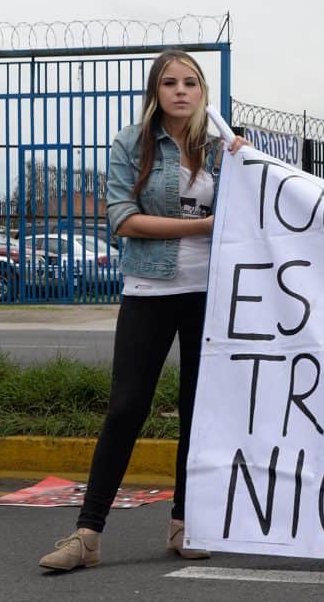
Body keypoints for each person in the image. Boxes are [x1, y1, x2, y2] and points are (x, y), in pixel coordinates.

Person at [39, 49, 246, 571]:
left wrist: (247, 163)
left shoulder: (223, 147)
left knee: (199, 413)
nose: (181, 91)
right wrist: (201, 226)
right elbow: (123, 220)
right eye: (170, 82)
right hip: (149, 287)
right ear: (156, 91)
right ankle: (87, 534)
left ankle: (186, 523)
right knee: (127, 407)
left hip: (211, 291)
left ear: (203, 92)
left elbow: (251, 212)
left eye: (191, 83)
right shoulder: (131, 143)